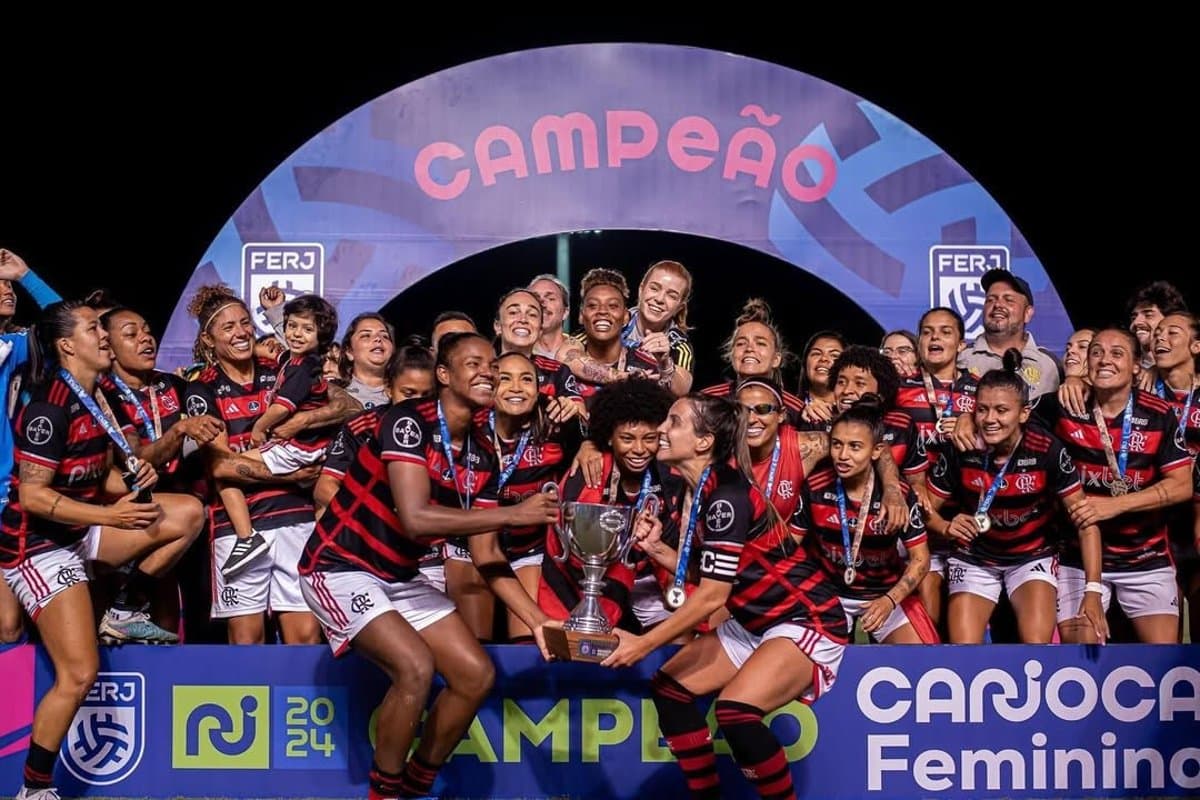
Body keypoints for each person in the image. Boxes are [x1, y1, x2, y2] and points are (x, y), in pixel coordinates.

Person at [298, 331, 558, 800]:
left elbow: (486, 555)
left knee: (475, 675)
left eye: (492, 366)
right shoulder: (408, 422)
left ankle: (417, 785)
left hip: (398, 576)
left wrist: (537, 620)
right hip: (338, 566)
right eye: (474, 364)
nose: (488, 373)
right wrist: (513, 514)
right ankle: (384, 794)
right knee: (415, 667)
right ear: (444, 374)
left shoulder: (482, 452)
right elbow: (415, 518)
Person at [1, 301, 204, 800]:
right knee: (79, 673)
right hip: (37, 546)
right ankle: (34, 789)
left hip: (80, 531)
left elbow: (91, 477)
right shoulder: (49, 407)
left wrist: (132, 483)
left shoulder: (97, 396)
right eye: (95, 328)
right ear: (67, 345)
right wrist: (112, 517)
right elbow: (35, 496)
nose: (105, 336)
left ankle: (123, 607)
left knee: (186, 512)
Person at [601, 394, 848, 800]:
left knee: (735, 712)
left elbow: (713, 595)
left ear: (703, 442)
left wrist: (643, 645)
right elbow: (715, 571)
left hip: (806, 619)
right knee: (670, 690)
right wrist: (658, 549)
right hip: (756, 621)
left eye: (674, 422)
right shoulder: (700, 488)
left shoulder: (726, 496)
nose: (661, 429)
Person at [926, 351, 1107, 643]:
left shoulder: (1046, 448)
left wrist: (1093, 589)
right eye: (982, 410)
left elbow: (1086, 521)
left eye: (1001, 410)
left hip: (1032, 556)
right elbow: (923, 511)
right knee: (964, 649)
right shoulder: (961, 446)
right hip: (974, 556)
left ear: (1023, 413)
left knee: (1036, 644)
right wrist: (945, 526)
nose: (990, 419)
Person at [184, 285, 325, 645]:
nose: (241, 332)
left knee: (305, 637)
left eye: (245, 323)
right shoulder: (203, 389)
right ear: (208, 339)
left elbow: (342, 402)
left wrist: (304, 420)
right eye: (228, 327)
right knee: (246, 640)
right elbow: (221, 468)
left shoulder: (281, 369)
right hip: (238, 529)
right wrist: (294, 474)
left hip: (296, 518)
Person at [1033, 328, 1192, 643]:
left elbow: (1182, 486)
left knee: (1161, 661)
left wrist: (1115, 505)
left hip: (1145, 556)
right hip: (1076, 557)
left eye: (1117, 353)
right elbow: (1007, 414)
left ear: (1136, 366)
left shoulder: (1158, 414)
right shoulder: (1061, 406)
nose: (1104, 360)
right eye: (1096, 352)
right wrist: (967, 419)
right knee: (1080, 661)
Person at [98, 306, 224, 640]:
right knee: (154, 610)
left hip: (192, 511)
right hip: (138, 511)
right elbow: (136, 458)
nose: (146, 339)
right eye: (131, 334)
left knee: (198, 614)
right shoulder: (103, 394)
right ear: (108, 347)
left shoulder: (177, 385)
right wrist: (180, 430)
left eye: (147, 330)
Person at [215, 293, 343, 580]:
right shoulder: (294, 360)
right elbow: (277, 353)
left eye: (307, 329)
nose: (296, 334)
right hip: (303, 447)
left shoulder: (305, 368)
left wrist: (259, 428)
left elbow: (282, 407)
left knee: (225, 470)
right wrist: (259, 347)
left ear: (321, 336)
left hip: (298, 448)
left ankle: (247, 538)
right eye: (292, 326)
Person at [539, 377, 679, 633]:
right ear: (610, 438)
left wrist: (673, 585)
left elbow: (675, 537)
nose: (639, 449)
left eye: (649, 438)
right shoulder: (591, 469)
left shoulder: (668, 471)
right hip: (587, 580)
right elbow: (576, 554)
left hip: (649, 575)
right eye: (627, 438)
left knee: (682, 634)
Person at [793, 397, 933, 643]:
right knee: (809, 659)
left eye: (855, 447)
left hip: (884, 592)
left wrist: (889, 600)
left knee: (919, 659)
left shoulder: (898, 495)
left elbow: (921, 559)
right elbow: (788, 547)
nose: (843, 455)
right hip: (829, 594)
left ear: (876, 450)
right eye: (837, 445)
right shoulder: (814, 488)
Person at [893, 307, 976, 628]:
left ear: (961, 344)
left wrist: (973, 421)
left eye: (945, 332)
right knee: (927, 618)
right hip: (919, 519)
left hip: (968, 520)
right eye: (927, 332)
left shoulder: (980, 390)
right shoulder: (898, 390)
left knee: (965, 623)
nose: (934, 338)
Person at [0, 249, 63, 644]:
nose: (7, 290)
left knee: (8, 625)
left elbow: (66, 325)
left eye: (9, 286)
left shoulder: (9, 347)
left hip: (3, 496)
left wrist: (25, 275)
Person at [1150, 312, 1200, 641]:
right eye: (1157, 332)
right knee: (1164, 638)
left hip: (1196, 517)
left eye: (1172, 332)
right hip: (1156, 522)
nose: (1160, 337)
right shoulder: (1141, 393)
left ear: (1196, 346)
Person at [958, 269, 1062, 400]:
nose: (997, 304)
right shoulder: (961, 358)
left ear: (1027, 313)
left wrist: (1077, 381)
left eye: (1009, 300)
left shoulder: (1050, 365)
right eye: (990, 300)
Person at [557, 269, 659, 397]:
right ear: (581, 316)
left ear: (626, 317)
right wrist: (628, 379)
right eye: (593, 305)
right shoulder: (564, 365)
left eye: (613, 306)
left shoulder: (648, 367)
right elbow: (566, 356)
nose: (602, 311)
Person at [702, 298, 806, 422]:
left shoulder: (798, 411)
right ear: (732, 355)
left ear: (776, 359)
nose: (749, 349)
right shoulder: (706, 400)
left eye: (760, 343)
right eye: (741, 343)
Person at [618, 260, 696, 395]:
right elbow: (576, 354)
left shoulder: (679, 345)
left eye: (672, 296)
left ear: (679, 307)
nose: (660, 299)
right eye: (654, 288)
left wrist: (665, 363)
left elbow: (682, 391)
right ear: (641, 290)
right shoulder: (614, 320)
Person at [337, 313, 396, 410]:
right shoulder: (334, 392)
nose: (378, 339)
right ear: (349, 351)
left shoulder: (406, 393)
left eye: (385, 336)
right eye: (366, 335)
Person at [1127, 279, 1188, 371]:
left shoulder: (1192, 369)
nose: (1136, 322)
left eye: (1148, 315)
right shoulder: (1126, 370)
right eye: (1133, 317)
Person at [797, 330, 848, 428]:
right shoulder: (788, 409)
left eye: (834, 355)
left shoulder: (854, 412)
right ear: (805, 363)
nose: (824, 359)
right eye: (816, 353)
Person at [529, 273, 571, 359]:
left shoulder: (584, 351)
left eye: (551, 298)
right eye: (535, 298)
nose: (542, 303)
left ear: (565, 312)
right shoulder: (516, 353)